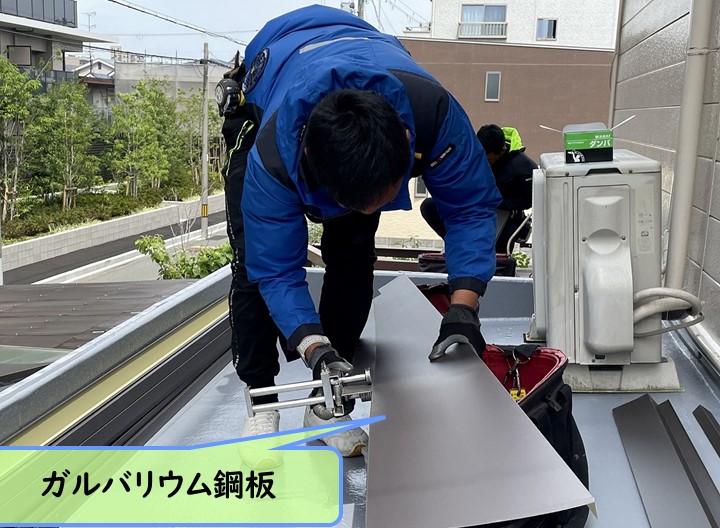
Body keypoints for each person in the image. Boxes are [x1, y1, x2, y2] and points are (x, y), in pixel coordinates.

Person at [219, 5, 501, 465]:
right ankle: (262, 398)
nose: (368, 212)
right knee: (252, 266)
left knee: (352, 256)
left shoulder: (432, 113)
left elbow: (470, 208)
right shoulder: (273, 156)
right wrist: (311, 345)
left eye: (381, 199)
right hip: (270, 84)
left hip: (370, 71)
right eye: (355, 204)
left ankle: (329, 400)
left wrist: (464, 309)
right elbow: (276, 270)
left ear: (407, 142)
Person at [421, 124, 537, 253]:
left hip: (504, 213)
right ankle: (457, 242)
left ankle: (496, 266)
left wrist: (495, 201)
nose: (483, 160)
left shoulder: (524, 168)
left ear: (502, 150)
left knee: (498, 244)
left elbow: (529, 200)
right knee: (429, 206)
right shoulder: (471, 153)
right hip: (471, 205)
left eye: (488, 158)